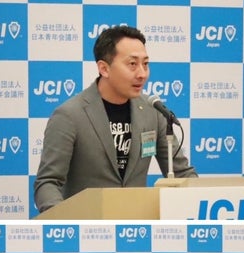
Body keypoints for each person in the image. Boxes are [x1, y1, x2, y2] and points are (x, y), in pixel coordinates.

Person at [34, 25, 197, 213]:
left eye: (145, 64)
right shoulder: (70, 115)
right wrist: (64, 221)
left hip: (137, 224)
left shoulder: (153, 111)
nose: (142, 74)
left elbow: (182, 173)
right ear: (104, 68)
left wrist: (201, 200)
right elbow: (48, 183)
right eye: (132, 64)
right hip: (87, 224)